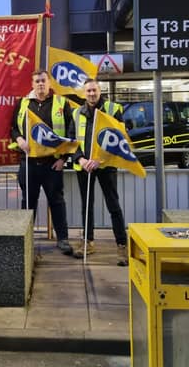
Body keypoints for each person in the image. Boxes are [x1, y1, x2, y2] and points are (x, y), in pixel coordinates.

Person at [10, 69, 74, 255]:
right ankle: (26, 241)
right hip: (29, 163)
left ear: (49, 83)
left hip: (53, 165)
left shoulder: (61, 103)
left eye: (43, 81)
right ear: (32, 84)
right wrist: (19, 139)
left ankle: (63, 239)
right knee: (28, 203)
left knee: (57, 202)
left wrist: (63, 159)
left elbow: (71, 134)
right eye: (37, 81)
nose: (40, 84)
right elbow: (13, 128)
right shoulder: (23, 103)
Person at [69, 78, 128, 265]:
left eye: (94, 90)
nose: (92, 94)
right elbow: (72, 141)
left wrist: (99, 159)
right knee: (87, 206)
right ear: (83, 93)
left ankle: (121, 245)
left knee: (113, 206)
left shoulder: (113, 109)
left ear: (100, 90)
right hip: (84, 166)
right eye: (88, 91)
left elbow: (120, 138)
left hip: (106, 165)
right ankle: (88, 242)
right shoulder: (77, 113)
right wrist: (81, 159)